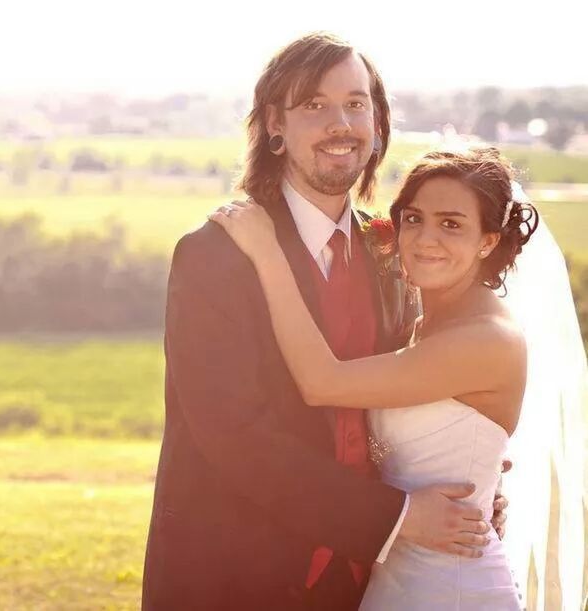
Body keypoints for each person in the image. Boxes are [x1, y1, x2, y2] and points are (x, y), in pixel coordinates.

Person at [141, 32, 508, 611]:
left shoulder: (395, 253)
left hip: (372, 580)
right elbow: (234, 435)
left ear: (378, 123)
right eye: (314, 104)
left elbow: (416, 387)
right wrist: (402, 517)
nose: (341, 123)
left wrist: (478, 479)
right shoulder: (214, 256)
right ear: (274, 125)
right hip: (235, 576)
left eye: (356, 103)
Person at [210, 147, 536, 608]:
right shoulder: (423, 323)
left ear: (487, 241)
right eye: (414, 218)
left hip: (452, 588)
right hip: (395, 577)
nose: (425, 239)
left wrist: (267, 253)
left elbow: (322, 382)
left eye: (451, 224)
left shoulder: (487, 339)